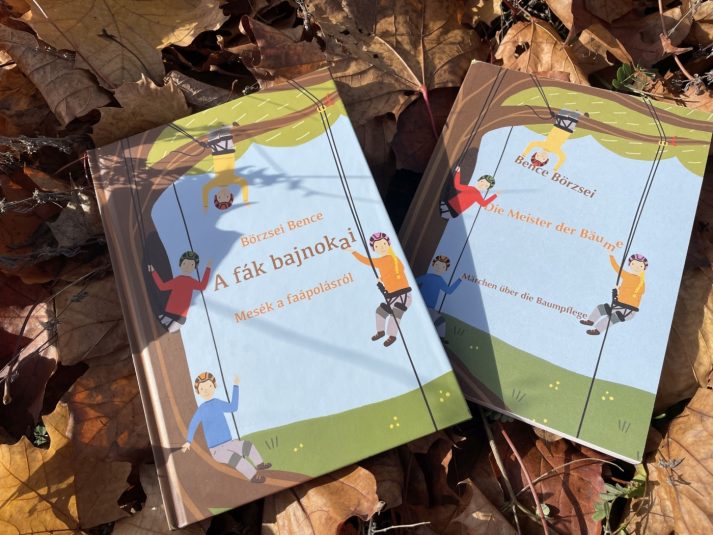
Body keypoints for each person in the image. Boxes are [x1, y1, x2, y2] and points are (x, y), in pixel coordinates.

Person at [182, 372, 271, 483]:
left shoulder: (217, 403)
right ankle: (253, 477)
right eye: (202, 388)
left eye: (209, 386)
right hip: (216, 450)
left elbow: (233, 407)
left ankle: (259, 464)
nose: (206, 390)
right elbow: (193, 424)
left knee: (248, 445)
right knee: (237, 459)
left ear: (214, 386)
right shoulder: (201, 410)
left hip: (229, 443)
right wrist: (188, 441)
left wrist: (236, 386)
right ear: (198, 391)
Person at [348, 232, 412, 347]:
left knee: (395, 315)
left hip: (402, 294)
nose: (381, 247)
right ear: (374, 249)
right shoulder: (389, 260)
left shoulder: (390, 259)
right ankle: (381, 331)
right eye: (377, 246)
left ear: (388, 244)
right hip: (393, 295)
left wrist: (353, 252)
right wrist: (382, 279)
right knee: (380, 311)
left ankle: (392, 335)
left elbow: (367, 261)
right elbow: (391, 273)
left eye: (383, 244)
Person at [580, 253, 647, 335]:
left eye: (640, 266)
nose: (636, 267)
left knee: (611, 318)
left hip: (628, 310)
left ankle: (597, 330)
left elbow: (632, 295)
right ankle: (590, 321)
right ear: (630, 265)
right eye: (634, 264)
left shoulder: (640, 282)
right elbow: (617, 269)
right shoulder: (627, 276)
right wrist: (617, 294)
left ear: (643, 269)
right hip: (618, 306)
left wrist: (611, 256)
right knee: (601, 308)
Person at [148, 251, 212, 332]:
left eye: (191, 265)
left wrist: (208, 269)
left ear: (194, 267)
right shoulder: (178, 280)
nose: (187, 266)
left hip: (176, 317)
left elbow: (202, 286)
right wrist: (153, 272)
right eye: (185, 263)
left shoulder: (190, 281)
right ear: (181, 264)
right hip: (172, 315)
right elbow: (162, 287)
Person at [520, 109, 587, 171]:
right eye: (543, 158)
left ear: (536, 153)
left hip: (557, 127)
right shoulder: (556, 150)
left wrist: (524, 154)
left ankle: (575, 112)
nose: (542, 155)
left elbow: (532, 144)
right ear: (547, 159)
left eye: (538, 156)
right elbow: (562, 158)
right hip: (567, 130)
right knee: (573, 117)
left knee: (564, 111)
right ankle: (577, 112)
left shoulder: (542, 144)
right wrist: (555, 168)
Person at [201, 126, 249, 211]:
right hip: (228, 152)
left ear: (216, 196)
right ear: (230, 195)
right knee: (224, 133)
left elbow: (205, 190)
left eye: (220, 197)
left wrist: (205, 206)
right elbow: (244, 183)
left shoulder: (216, 182)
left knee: (213, 134)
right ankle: (226, 127)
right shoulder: (232, 180)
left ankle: (222, 129)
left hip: (217, 154)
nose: (223, 195)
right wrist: (245, 200)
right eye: (227, 197)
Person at [416, 255, 463, 341]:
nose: (439, 268)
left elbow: (449, 291)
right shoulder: (427, 276)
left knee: (440, 322)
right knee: (438, 322)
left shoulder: (440, 280)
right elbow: (414, 282)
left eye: (442, 267)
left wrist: (459, 280)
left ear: (445, 269)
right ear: (433, 265)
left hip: (430, 309)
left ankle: (440, 340)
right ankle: (439, 339)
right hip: (422, 306)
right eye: (437, 265)